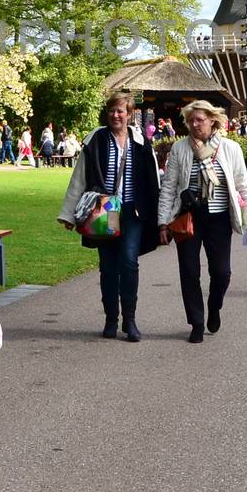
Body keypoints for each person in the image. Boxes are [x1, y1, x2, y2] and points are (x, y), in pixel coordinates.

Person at [57, 92, 161, 341]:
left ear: (129, 114)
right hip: (104, 211)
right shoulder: (97, 139)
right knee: (108, 266)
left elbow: (153, 178)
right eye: (112, 110)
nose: (116, 115)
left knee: (129, 262)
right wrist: (68, 214)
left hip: (132, 211)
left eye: (121, 111)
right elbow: (80, 176)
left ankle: (130, 320)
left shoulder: (139, 141)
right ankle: (111, 319)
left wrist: (160, 215)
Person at [157, 100, 247, 342]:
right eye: (191, 120)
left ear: (212, 120)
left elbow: (243, 185)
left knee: (222, 272)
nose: (194, 124)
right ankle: (196, 322)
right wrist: (163, 222)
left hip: (219, 217)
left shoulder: (230, 148)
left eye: (199, 120)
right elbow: (169, 187)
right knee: (189, 271)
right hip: (188, 217)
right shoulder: (180, 149)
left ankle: (214, 307)